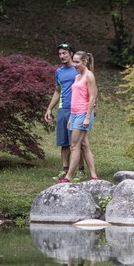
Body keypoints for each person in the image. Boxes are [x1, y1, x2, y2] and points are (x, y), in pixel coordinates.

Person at [44, 43, 86, 181]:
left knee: (77, 142)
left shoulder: (78, 69)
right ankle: (65, 169)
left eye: (64, 53)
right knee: (64, 142)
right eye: (60, 54)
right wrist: (49, 108)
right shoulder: (59, 72)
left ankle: (80, 170)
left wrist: (92, 108)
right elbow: (57, 91)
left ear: (71, 54)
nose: (62, 56)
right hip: (63, 109)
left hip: (78, 109)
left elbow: (89, 88)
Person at [56, 51, 99, 183]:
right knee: (85, 145)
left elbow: (92, 97)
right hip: (74, 114)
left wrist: (87, 117)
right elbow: (75, 98)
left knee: (74, 145)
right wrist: (71, 117)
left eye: (77, 62)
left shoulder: (89, 76)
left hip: (83, 114)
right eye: (73, 61)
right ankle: (94, 176)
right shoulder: (77, 77)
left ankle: (68, 177)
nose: (74, 65)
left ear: (85, 62)